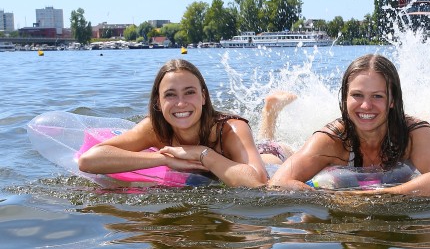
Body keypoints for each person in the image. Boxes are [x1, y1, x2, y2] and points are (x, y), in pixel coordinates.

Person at [78, 58, 294, 188]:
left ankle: (270, 111)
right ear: (158, 103)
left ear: (203, 97)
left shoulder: (231, 128)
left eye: (189, 92)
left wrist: (201, 153)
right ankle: (270, 110)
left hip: (268, 157)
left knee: (269, 147)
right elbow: (88, 160)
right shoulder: (154, 128)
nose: (181, 104)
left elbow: (257, 181)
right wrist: (163, 160)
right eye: (170, 95)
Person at [268, 54, 430, 198]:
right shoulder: (331, 139)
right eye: (357, 95)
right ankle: (270, 116)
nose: (366, 106)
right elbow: (277, 183)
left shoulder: (414, 134)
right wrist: (330, 199)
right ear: (345, 98)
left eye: (377, 96)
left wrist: (374, 196)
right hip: (285, 154)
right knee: (273, 154)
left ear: (392, 100)